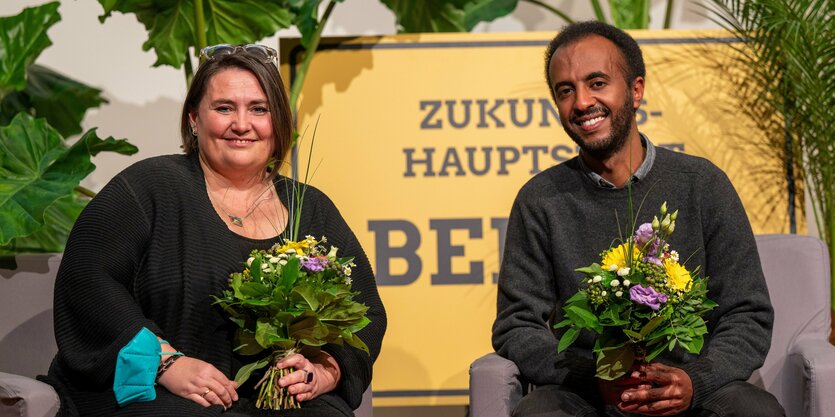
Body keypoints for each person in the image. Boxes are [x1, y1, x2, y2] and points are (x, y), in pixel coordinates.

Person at [40, 44, 386, 416]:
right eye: (224, 108)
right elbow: (87, 280)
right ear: (194, 119)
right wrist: (165, 363)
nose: (241, 124)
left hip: (277, 402)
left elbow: (365, 311)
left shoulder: (312, 208)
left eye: (259, 109)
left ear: (279, 121)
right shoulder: (150, 187)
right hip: (162, 394)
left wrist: (322, 371)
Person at [492, 22, 784, 417]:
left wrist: (695, 382)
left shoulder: (702, 185)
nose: (581, 102)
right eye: (566, 90)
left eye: (597, 83)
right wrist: (594, 376)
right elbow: (517, 326)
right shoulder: (541, 199)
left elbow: (747, 314)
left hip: (690, 388)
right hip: (588, 392)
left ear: (636, 91)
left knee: (755, 412)